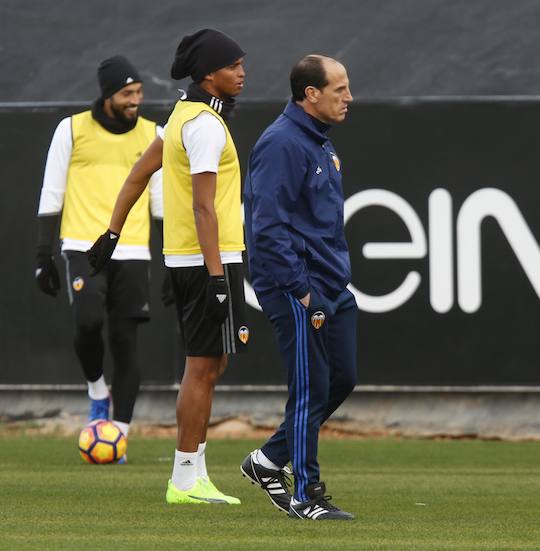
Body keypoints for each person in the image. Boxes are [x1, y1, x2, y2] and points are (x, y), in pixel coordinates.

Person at [88, 29, 248, 504]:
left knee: (210, 364)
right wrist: (218, 275)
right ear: (208, 74)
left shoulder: (181, 116)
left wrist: (112, 233)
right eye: (233, 65)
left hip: (194, 259)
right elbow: (203, 208)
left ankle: (195, 471)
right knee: (201, 368)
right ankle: (184, 478)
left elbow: (139, 174)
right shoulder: (202, 125)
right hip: (205, 260)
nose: (242, 72)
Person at [240, 54, 356, 520]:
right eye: (340, 89)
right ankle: (306, 496)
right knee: (310, 389)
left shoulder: (320, 143)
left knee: (341, 378)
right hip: (296, 285)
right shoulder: (281, 143)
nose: (349, 97)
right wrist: (300, 289)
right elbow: (266, 226)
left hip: (331, 284)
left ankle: (267, 460)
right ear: (311, 94)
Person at [35, 56, 163, 447]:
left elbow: (160, 202)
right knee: (88, 322)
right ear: (108, 95)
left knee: (126, 341)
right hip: (82, 246)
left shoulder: (153, 134)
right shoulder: (71, 129)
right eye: (127, 93)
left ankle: (118, 435)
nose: (135, 100)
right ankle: (96, 391)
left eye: (139, 93)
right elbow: (51, 191)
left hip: (134, 250)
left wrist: (171, 263)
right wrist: (44, 254)